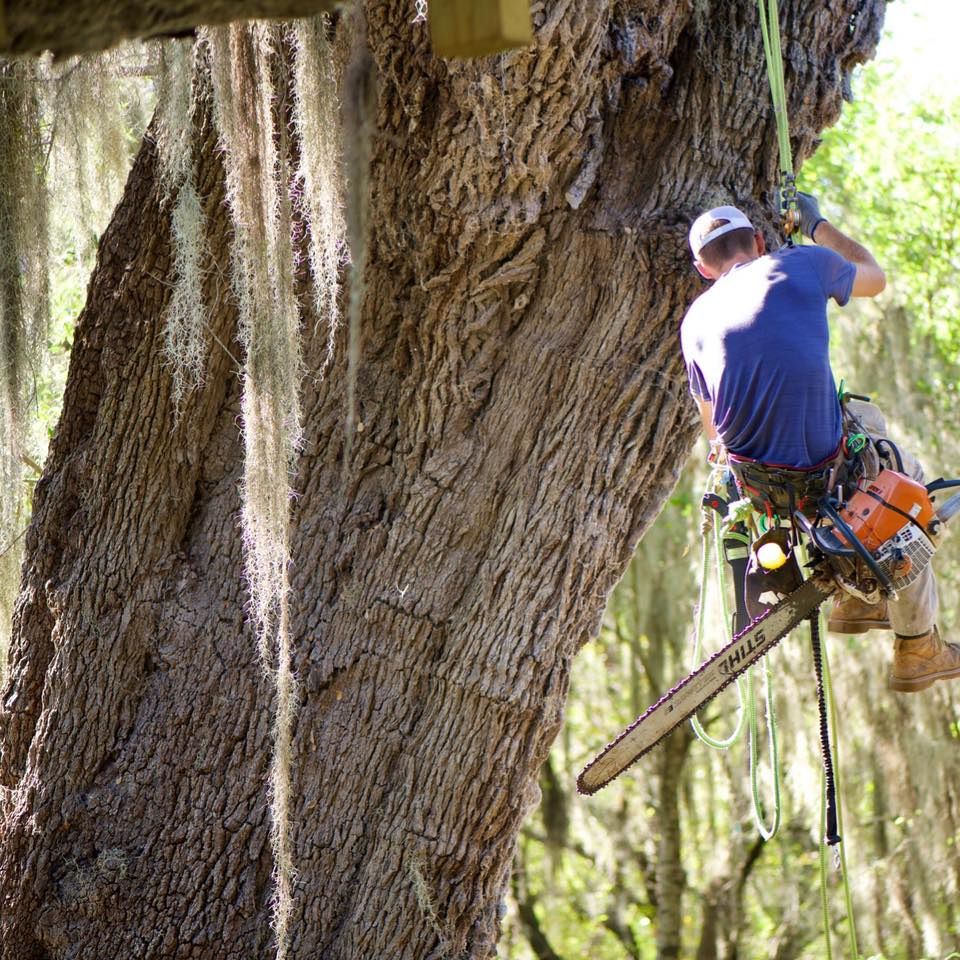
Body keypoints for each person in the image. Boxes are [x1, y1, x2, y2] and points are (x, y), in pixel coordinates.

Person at [680, 196, 960, 693]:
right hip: (822, 469)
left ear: (703, 267)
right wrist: (817, 226)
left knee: (863, 417)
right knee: (904, 495)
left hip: (761, 490)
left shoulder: (694, 322)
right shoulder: (802, 263)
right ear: (760, 243)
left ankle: (860, 602)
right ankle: (917, 646)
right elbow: (873, 275)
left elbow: (713, 434)